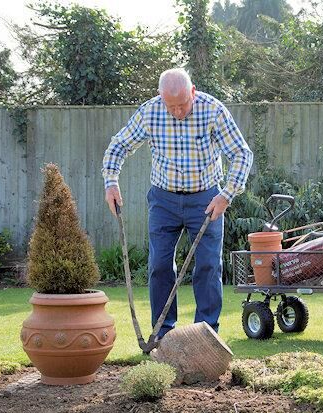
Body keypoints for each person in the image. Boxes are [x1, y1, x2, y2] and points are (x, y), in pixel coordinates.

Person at [102, 68, 253, 339]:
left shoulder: (213, 111)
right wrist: (111, 182)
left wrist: (226, 195)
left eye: (183, 104)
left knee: (208, 266)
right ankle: (163, 334)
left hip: (206, 199)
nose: (178, 112)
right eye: (171, 106)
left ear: (193, 91)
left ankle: (205, 333)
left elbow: (241, 154)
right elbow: (119, 145)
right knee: (159, 266)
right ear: (161, 98)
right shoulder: (150, 112)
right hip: (163, 200)